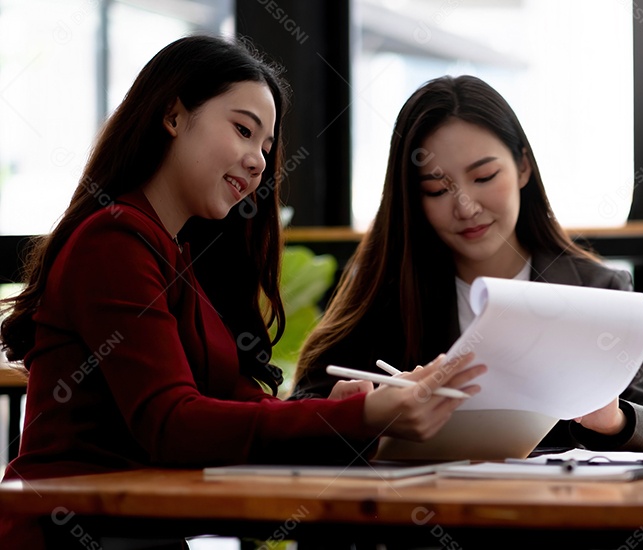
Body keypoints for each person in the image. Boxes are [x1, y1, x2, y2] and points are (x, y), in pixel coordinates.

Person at [0, 36, 483, 549]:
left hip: (129, 529)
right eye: (243, 130)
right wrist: (358, 416)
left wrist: (346, 410)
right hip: (69, 532)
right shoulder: (114, 241)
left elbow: (226, 404)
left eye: (266, 147)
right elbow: (172, 423)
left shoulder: (173, 252)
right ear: (173, 116)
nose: (258, 161)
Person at [292, 75, 643, 452]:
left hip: (561, 509)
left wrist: (613, 420)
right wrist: (354, 412)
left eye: (484, 176)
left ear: (523, 168)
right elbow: (298, 411)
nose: (465, 207)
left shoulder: (597, 291)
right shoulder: (387, 292)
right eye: (437, 188)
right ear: (413, 198)